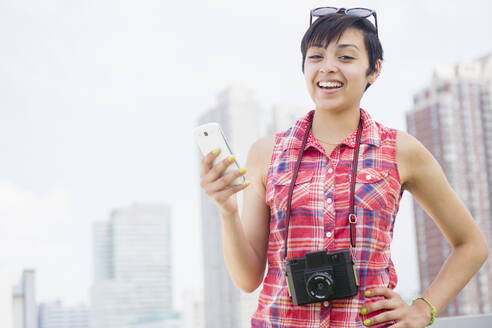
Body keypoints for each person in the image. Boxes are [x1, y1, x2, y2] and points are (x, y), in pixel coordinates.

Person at [199, 7, 489, 328]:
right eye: (316, 56)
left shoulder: (401, 150)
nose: (328, 68)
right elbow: (247, 279)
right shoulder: (266, 153)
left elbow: (471, 245)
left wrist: (423, 308)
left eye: (346, 57)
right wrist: (227, 211)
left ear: (374, 70)